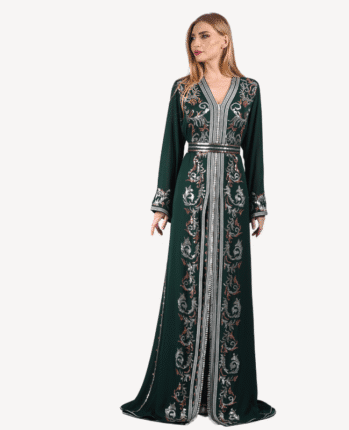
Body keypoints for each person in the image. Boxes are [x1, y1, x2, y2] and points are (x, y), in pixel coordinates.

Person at [120, 12, 276, 426]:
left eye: (204, 36)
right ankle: (178, 394)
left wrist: (258, 204)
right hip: (190, 196)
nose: (196, 44)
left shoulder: (250, 90)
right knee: (185, 283)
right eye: (192, 38)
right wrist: (161, 204)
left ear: (225, 39)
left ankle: (223, 395)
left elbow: (255, 147)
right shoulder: (184, 89)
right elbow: (171, 144)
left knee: (230, 288)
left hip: (232, 198)